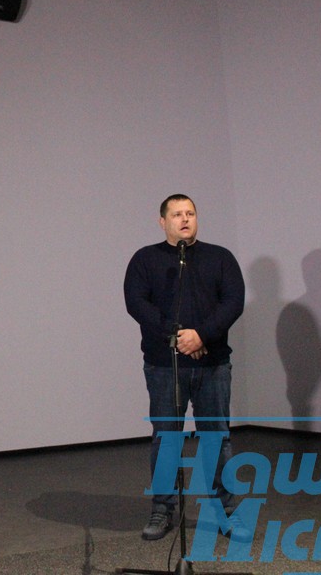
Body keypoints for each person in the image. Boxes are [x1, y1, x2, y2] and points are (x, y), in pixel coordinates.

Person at [123, 194, 245, 541]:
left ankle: (226, 512)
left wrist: (202, 334)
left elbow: (233, 301)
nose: (185, 219)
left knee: (217, 440)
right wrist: (176, 336)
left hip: (213, 364)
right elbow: (136, 303)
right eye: (177, 214)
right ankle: (162, 510)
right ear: (162, 222)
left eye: (190, 213)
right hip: (165, 365)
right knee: (166, 439)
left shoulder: (220, 258)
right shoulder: (146, 259)